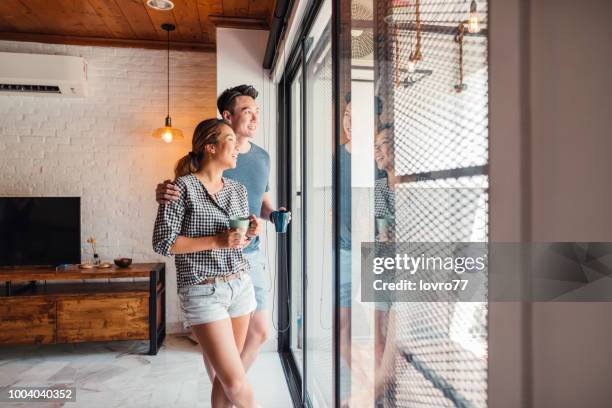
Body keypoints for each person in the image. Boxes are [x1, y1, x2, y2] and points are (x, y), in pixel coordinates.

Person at [155, 85, 289, 380]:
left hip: (248, 254)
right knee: (218, 352)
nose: (255, 118)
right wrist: (164, 191)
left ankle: (230, 387)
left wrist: (273, 215)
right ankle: (231, 387)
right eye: (247, 112)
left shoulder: (262, 158)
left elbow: (261, 205)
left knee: (262, 331)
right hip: (209, 265)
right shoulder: (214, 154)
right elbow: (186, 191)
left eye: (257, 113)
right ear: (227, 116)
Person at [153, 118, 261, 408]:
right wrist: (217, 241)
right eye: (230, 139)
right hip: (203, 292)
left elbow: (235, 240)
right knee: (236, 382)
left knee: (226, 380)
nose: (238, 146)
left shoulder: (237, 189)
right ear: (210, 148)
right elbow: (163, 243)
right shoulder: (180, 188)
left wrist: (248, 234)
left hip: (239, 285)